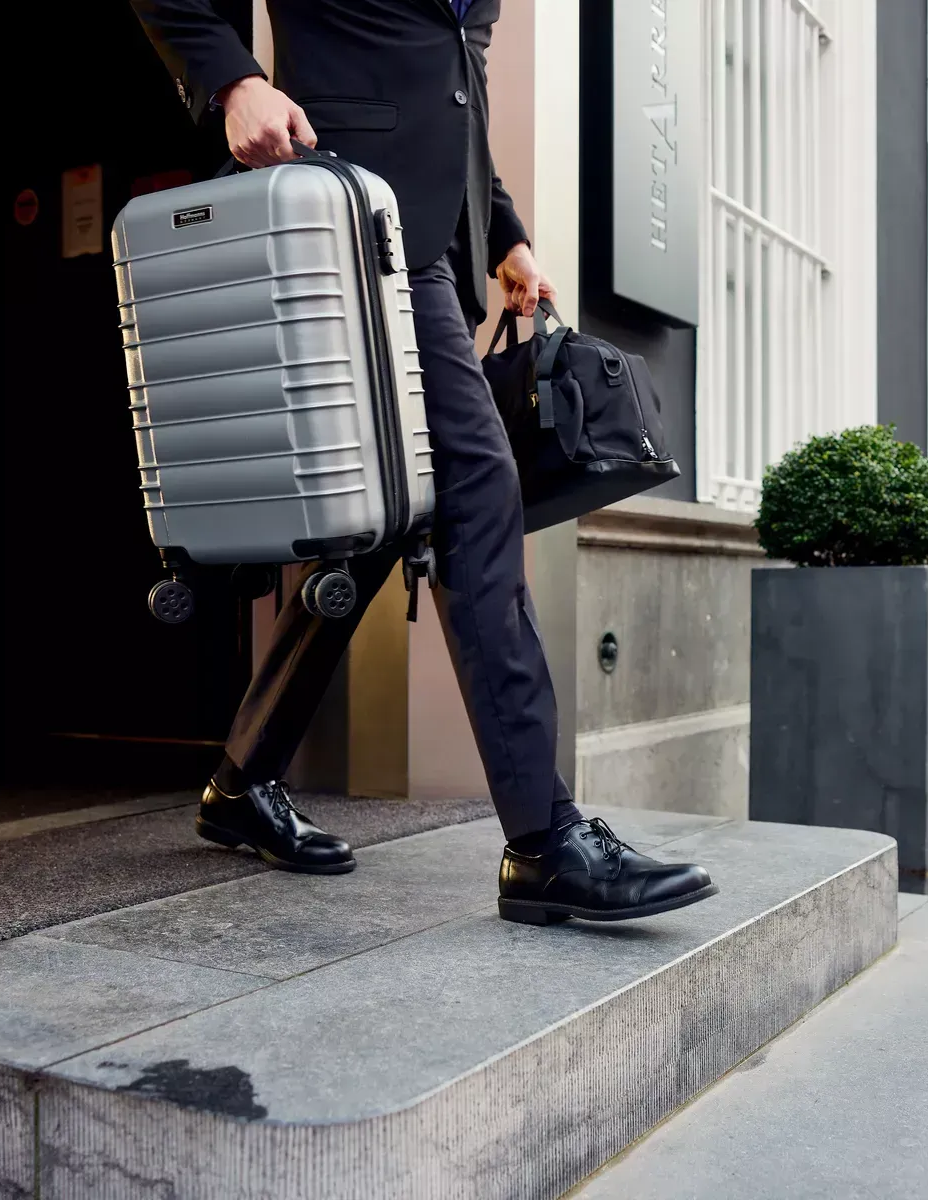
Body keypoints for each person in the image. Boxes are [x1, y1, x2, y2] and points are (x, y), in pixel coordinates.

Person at [129, 0, 718, 924]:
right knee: (478, 487)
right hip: (343, 217)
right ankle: (543, 838)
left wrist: (505, 228)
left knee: (388, 517)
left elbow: (456, 74)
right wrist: (233, 78)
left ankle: (242, 780)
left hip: (435, 236)